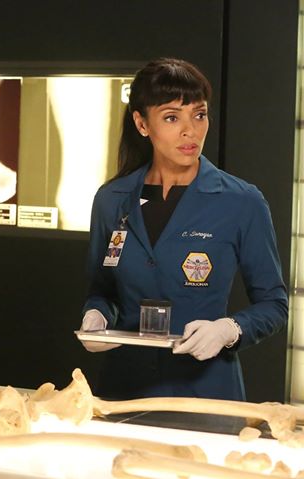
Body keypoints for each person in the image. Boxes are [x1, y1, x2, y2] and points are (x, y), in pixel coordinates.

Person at [78, 58, 287, 401]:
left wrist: (229, 330)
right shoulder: (111, 200)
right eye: (172, 117)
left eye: (199, 114)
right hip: (124, 393)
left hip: (205, 394)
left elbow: (274, 305)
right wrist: (96, 316)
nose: (190, 130)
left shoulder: (241, 201)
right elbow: (102, 290)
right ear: (142, 124)